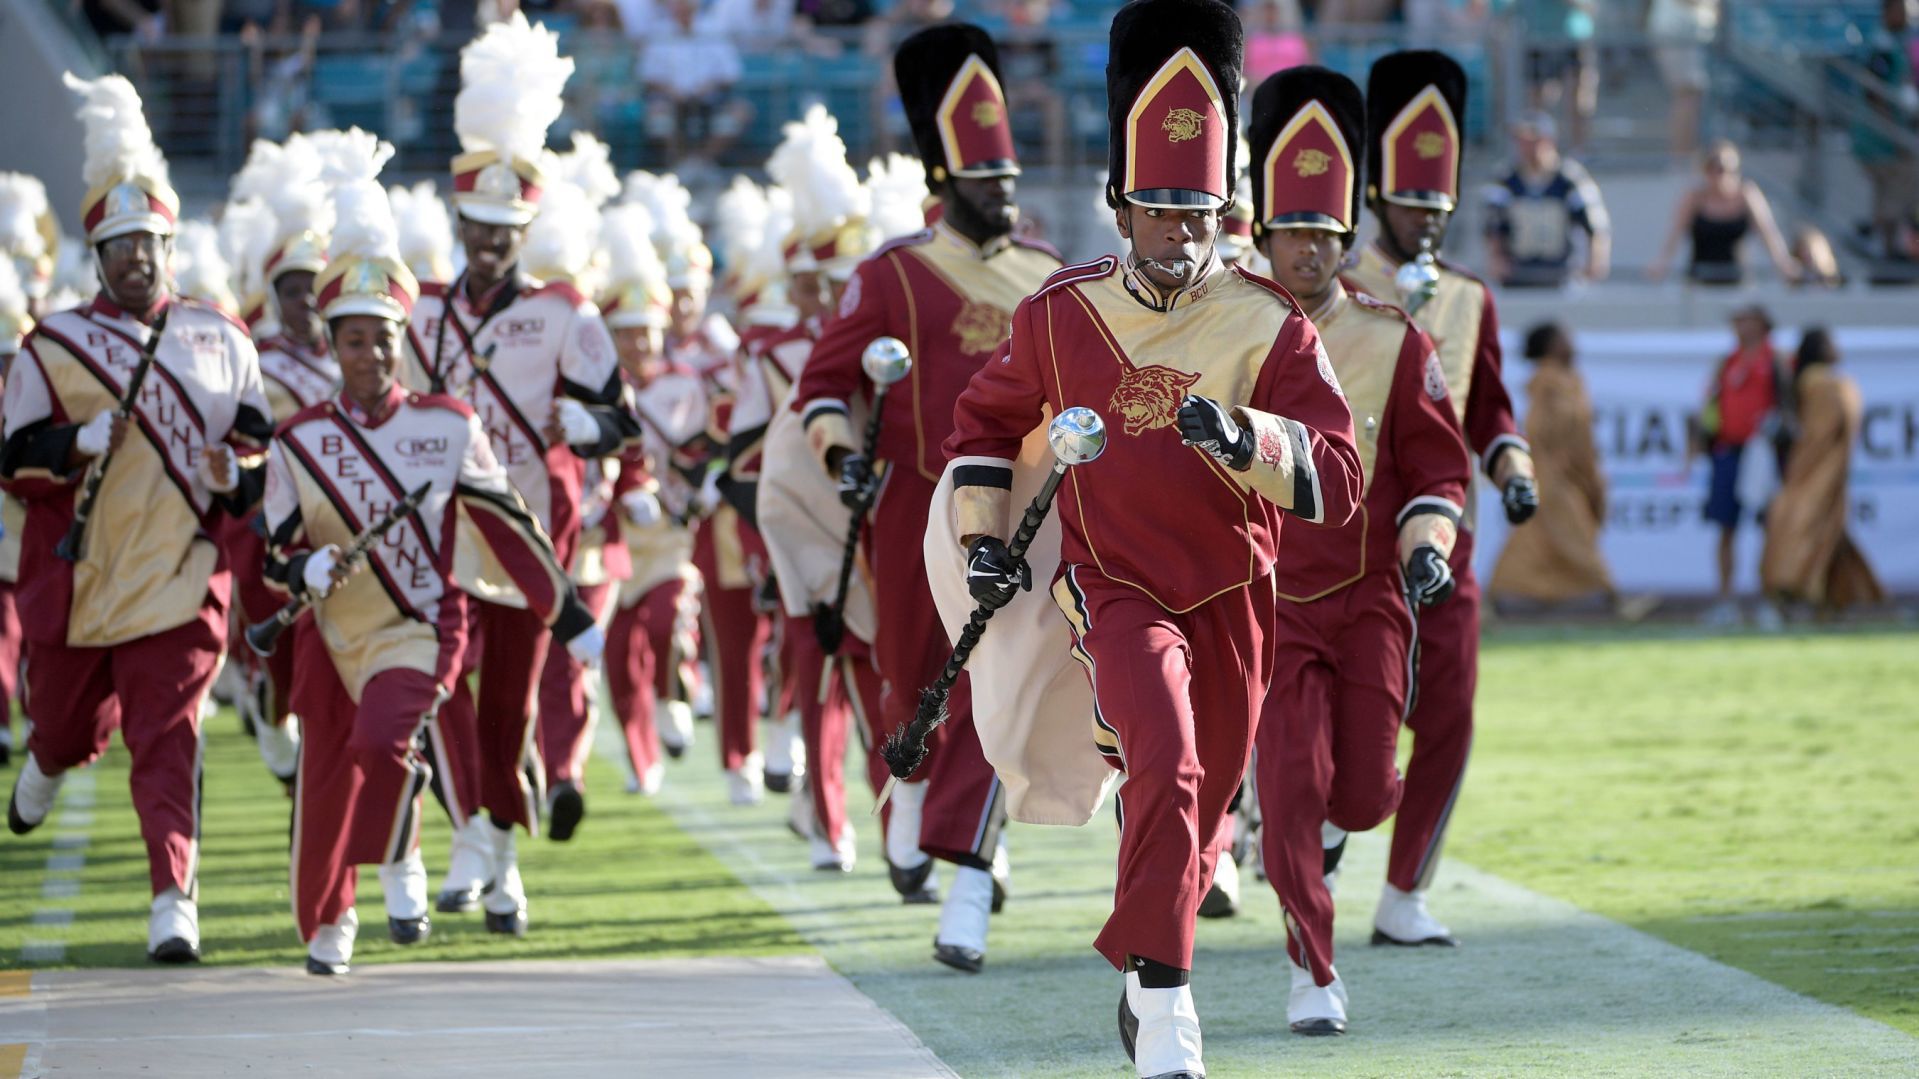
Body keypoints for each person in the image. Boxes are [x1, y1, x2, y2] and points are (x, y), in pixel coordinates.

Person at [942, 2, 1361, 1070]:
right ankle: (1169, 1007)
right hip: (1115, 585)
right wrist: (984, 535)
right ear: (1120, 206)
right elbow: (985, 423)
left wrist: (1246, 436)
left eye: (1201, 211)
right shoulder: (1059, 310)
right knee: (1164, 763)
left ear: (1228, 209)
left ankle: (1138, 964)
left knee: (1205, 800)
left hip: (1233, 590)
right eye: (1160, 210)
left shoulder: (1272, 321)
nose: (1182, 233)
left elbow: (1338, 477)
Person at [265, 175, 602, 978]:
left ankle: (397, 863)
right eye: (354, 340)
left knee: (385, 743)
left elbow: (507, 522)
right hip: (331, 631)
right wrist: (300, 565)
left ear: (400, 340)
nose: (372, 354)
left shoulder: (449, 425)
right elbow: (273, 551)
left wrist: (569, 612)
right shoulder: (297, 439)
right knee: (324, 782)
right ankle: (331, 918)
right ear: (333, 344)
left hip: (420, 625)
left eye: (385, 338)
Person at [796, 22, 1058, 973]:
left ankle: (970, 879)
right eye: (988, 182)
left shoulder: (1046, 274)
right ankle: (908, 796)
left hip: (1021, 516)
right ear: (942, 183)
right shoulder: (892, 272)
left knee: (1003, 686)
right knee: (912, 674)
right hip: (915, 504)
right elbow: (824, 385)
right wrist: (839, 460)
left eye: (1011, 180)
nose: (1005, 195)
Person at [3, 73, 274, 963]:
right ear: (97, 256)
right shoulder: (52, 345)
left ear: (170, 244)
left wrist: (232, 470)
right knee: (69, 729)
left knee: (169, 737)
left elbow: (260, 450)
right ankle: (45, 759)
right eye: (117, 246)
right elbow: (10, 459)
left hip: (181, 571)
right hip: (80, 576)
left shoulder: (223, 337)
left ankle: (172, 897)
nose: (135, 260)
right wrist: (75, 441)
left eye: (147, 243)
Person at [1244, 64, 1472, 1037]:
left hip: (1372, 592)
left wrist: (1429, 542)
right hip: (1265, 600)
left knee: (1364, 791)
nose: (1307, 251)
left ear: (1347, 240)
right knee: (1291, 788)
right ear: (1259, 232)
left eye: (1324, 236)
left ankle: (1332, 843)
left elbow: (1435, 469)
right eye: (1291, 232)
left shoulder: (1393, 337)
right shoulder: (1230, 331)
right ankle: (1312, 967)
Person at [402, 14, 631, 934]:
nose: (490, 242)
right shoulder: (416, 313)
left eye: (506, 228)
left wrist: (588, 420)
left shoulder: (568, 313)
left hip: (535, 531)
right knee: (439, 689)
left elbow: (619, 417)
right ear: (458, 222)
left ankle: (496, 856)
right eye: (477, 226)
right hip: (444, 531)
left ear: (525, 227)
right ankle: (475, 840)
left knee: (508, 705)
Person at [1343, 49, 1539, 950]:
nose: (1423, 218)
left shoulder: (1469, 295)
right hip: (1347, 534)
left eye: (1437, 204)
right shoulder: (1336, 287)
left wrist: (1511, 468)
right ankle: (1329, 817)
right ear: (1377, 194)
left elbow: (1488, 404)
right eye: (1410, 200)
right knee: (1360, 709)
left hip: (1446, 531)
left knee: (1452, 711)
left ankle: (1404, 889)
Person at [599, 201, 706, 797]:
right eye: (625, 332)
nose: (638, 341)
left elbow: (702, 448)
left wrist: (700, 483)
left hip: (666, 538)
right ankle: (643, 762)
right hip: (613, 539)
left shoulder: (681, 383)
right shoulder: (596, 391)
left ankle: (675, 694)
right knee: (618, 663)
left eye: (645, 329)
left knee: (667, 621)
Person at [1489, 322, 1615, 611]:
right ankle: (1610, 592)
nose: (1571, 343)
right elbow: (1559, 434)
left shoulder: (1567, 382)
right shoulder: (1552, 386)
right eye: (1564, 338)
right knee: (1575, 535)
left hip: (1562, 475)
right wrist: (1583, 472)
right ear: (1551, 347)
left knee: (1534, 539)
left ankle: (1499, 593)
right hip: (1555, 476)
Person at [1760, 328, 1885, 618]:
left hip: (1814, 473)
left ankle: (1805, 595)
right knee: (1824, 537)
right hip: (1829, 474)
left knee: (1804, 534)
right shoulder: (1835, 384)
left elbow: (1818, 433)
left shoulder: (1819, 383)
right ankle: (1831, 600)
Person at [1695, 304, 1787, 627]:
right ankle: (1725, 602)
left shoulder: (1776, 360)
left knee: (1769, 529)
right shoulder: (1727, 362)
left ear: (1762, 323)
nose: (1738, 326)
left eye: (1745, 320)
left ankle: (1769, 601)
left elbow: (1787, 405)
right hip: (1728, 451)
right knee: (1725, 528)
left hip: (1761, 454)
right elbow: (1710, 406)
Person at [1483, 110, 1610, 289]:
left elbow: (1595, 224)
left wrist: (1595, 260)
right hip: (1517, 275)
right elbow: (1493, 224)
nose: (1527, 147)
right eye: (1522, 141)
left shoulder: (1570, 179)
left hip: (1562, 276)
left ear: (1549, 140)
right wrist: (1495, 258)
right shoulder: (1506, 180)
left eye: (1533, 140)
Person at [1648, 140, 1801, 287]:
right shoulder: (1694, 197)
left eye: (1722, 168)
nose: (1717, 174)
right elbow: (1675, 234)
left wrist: (1783, 262)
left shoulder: (1746, 194)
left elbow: (1768, 232)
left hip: (1736, 280)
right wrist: (1662, 263)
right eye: (1711, 167)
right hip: (1700, 281)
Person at [642, 0, 754, 171]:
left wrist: (710, 86)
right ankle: (678, 165)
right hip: (671, 100)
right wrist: (670, 90)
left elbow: (731, 72)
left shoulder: (715, 28)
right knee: (657, 115)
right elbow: (648, 75)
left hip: (712, 101)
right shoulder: (659, 31)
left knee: (740, 112)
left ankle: (700, 163)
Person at [1853, 0, 1919, 262]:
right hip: (1879, 139)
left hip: (1888, 137)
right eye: (1899, 9)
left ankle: (1883, 241)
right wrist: (1893, 131)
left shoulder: (1899, 40)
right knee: (1901, 182)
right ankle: (1886, 246)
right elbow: (1875, 93)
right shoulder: (1881, 44)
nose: (1904, 15)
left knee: (1892, 193)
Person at [1647, 0, 1718, 160]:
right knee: (1686, 94)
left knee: (1690, 95)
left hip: (1683, 26)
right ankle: (1681, 159)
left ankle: (1684, 157)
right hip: (1679, 27)